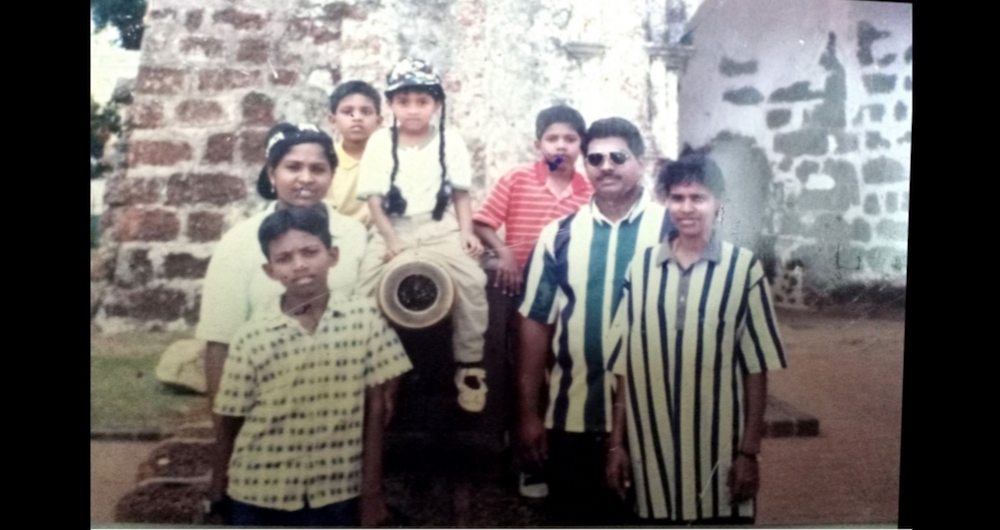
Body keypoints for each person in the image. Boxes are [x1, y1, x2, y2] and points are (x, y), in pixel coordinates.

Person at [604, 152, 788, 526]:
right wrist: (616, 446)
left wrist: (749, 454)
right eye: (677, 197)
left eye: (698, 197)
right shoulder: (640, 269)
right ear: (666, 201)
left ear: (718, 202)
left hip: (720, 460)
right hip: (650, 458)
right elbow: (624, 366)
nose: (687, 208)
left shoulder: (744, 270)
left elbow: (757, 370)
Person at [196, 123, 369, 514]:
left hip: (334, 436)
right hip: (263, 431)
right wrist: (224, 448)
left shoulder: (353, 236)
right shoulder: (239, 242)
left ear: (331, 174)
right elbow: (219, 345)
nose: (306, 179)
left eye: (318, 168)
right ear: (272, 174)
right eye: (293, 167)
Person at [517, 117, 676, 525]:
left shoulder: (672, 230)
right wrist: (530, 413)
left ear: (641, 162)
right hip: (573, 414)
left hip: (657, 415)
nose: (606, 166)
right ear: (585, 164)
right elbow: (536, 324)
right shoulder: (558, 234)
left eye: (618, 156)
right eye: (596, 158)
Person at [210, 206, 411, 526]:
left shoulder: (365, 317)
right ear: (269, 270)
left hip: (336, 492)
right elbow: (229, 419)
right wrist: (217, 488)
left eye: (310, 251)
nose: (299, 264)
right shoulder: (253, 335)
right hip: (258, 492)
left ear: (332, 255)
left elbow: (377, 408)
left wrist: (371, 493)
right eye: (284, 258)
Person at [355, 57, 489, 413]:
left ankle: (469, 364)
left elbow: (461, 194)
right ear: (391, 104)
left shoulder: (451, 141)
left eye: (422, 102)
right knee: (365, 289)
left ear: (437, 104)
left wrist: (466, 232)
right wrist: (391, 241)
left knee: (473, 279)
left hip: (438, 225)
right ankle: (364, 369)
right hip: (393, 226)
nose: (412, 110)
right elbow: (374, 200)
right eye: (403, 102)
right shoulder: (380, 142)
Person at [473, 104, 593, 498]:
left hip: (571, 296)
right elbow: (482, 221)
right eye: (553, 138)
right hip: (522, 293)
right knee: (524, 378)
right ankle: (527, 464)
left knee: (564, 375)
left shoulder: (588, 190)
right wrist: (504, 253)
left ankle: (561, 457)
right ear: (538, 143)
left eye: (570, 138)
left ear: (581, 145)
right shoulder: (518, 179)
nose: (561, 145)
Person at [325, 80, 384, 226]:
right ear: (333, 120)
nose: (357, 118)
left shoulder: (389, 157)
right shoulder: (326, 161)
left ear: (379, 120)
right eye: (347, 112)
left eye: (366, 112)